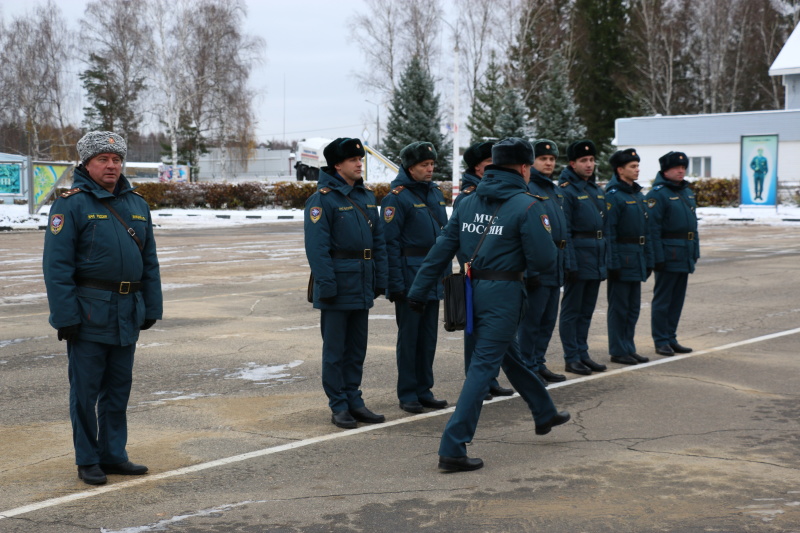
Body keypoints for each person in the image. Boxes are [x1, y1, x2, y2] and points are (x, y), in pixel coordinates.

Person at [406, 138, 570, 472]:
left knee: (509, 355)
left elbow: (441, 248)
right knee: (483, 367)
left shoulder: (466, 202)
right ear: (524, 168)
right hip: (505, 292)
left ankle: (544, 411)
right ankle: (453, 446)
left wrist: (418, 290)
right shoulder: (527, 205)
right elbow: (543, 259)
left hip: (470, 289)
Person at [42, 131, 163, 486]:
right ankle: (87, 459)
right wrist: (65, 316)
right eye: (103, 160)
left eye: (116, 159)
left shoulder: (137, 204)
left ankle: (113, 453)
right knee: (85, 390)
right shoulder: (71, 204)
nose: (111, 166)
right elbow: (57, 267)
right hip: (89, 312)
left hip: (128, 310)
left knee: (118, 387)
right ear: (87, 163)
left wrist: (151, 306)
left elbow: (150, 262)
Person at [304, 137, 388, 429]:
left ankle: (355, 400)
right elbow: (317, 249)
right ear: (337, 164)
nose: (358, 164)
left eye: (360, 159)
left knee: (356, 349)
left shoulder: (366, 196)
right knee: (336, 350)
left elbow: (379, 241)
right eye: (353, 160)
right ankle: (338, 405)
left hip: (362, 281)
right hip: (338, 284)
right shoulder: (322, 199)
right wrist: (327, 285)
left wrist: (381, 278)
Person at [381, 141, 450, 414]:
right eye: (424, 165)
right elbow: (390, 245)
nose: (430, 169)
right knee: (410, 339)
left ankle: (425, 390)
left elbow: (444, 237)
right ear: (410, 168)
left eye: (432, 164)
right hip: (410, 278)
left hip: (433, 275)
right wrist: (395, 284)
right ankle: (408, 393)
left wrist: (444, 274)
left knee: (428, 338)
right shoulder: (396, 198)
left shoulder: (434, 193)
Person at [455, 141, 514, 399]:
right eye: (489, 163)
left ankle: (490, 378)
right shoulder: (469, 195)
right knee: (475, 329)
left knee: (493, 329)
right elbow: (459, 235)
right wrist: (468, 264)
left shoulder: (495, 190)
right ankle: (476, 381)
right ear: (477, 167)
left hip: (496, 270)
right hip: (475, 270)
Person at [517, 140, 572, 383]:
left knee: (548, 319)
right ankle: (527, 366)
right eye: (543, 159)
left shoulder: (554, 190)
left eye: (552, 159)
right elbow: (527, 234)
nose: (549, 163)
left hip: (556, 261)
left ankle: (538, 362)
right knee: (532, 320)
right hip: (538, 265)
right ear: (531, 163)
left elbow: (563, 230)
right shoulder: (528, 188)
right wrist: (530, 269)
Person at [557, 140, 608, 375]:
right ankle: (571, 356)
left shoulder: (595, 189)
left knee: (587, 310)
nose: (589, 165)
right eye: (583, 161)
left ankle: (583, 352)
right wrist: (570, 261)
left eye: (591, 160)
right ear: (572, 163)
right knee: (572, 310)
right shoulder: (567, 190)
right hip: (578, 255)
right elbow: (565, 230)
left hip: (595, 256)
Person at [645, 151, 699, 356]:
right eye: (677, 167)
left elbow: (693, 227)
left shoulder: (686, 192)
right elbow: (653, 229)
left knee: (677, 300)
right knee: (663, 299)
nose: (681, 171)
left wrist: (695, 251)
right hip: (668, 256)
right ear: (665, 170)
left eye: (683, 167)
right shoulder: (657, 194)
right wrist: (657, 258)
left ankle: (671, 337)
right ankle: (660, 340)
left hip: (684, 254)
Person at [605, 148, 654, 365]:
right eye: (632, 166)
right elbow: (610, 232)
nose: (637, 170)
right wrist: (613, 261)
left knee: (633, 307)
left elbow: (647, 230)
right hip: (623, 259)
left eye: (637, 166)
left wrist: (649, 258)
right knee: (620, 307)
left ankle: (628, 346)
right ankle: (618, 349)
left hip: (637, 258)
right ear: (620, 169)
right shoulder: (614, 196)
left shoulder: (637, 195)